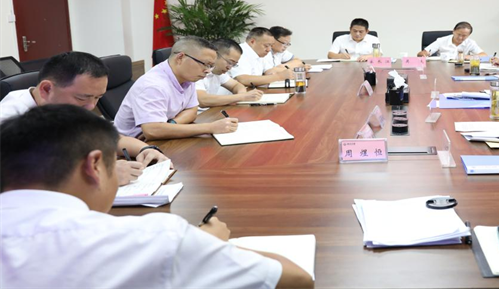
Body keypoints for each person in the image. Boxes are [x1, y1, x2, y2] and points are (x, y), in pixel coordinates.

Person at [0, 104, 313, 288]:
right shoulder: (153, 239)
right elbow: (296, 280)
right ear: (94, 166)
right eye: (114, 163)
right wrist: (209, 243)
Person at [0, 51, 167, 186]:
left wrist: (145, 149)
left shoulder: (62, 106)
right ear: (46, 89)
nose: (91, 106)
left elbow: (107, 138)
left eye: (98, 98)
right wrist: (99, 173)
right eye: (82, 98)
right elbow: (17, 176)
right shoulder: (9, 118)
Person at [114, 36, 239, 140]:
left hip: (161, 139)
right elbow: (152, 131)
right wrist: (210, 127)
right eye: (205, 64)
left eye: (211, 66)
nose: (208, 71)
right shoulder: (153, 85)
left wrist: (171, 124)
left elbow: (192, 111)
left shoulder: (188, 77)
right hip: (130, 149)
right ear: (180, 58)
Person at [196, 38, 264, 107]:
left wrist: (242, 94)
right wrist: (241, 97)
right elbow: (202, 100)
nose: (230, 67)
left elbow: (236, 85)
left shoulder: (219, 73)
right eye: (230, 62)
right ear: (215, 55)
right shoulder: (198, 71)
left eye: (234, 64)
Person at [417, 22, 486, 60]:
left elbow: (484, 55)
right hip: (442, 69)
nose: (460, 37)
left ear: (468, 35)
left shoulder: (470, 43)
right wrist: (424, 54)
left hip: (461, 70)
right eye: (458, 34)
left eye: (464, 36)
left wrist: (470, 57)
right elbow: (421, 53)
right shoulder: (442, 40)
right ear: (453, 31)